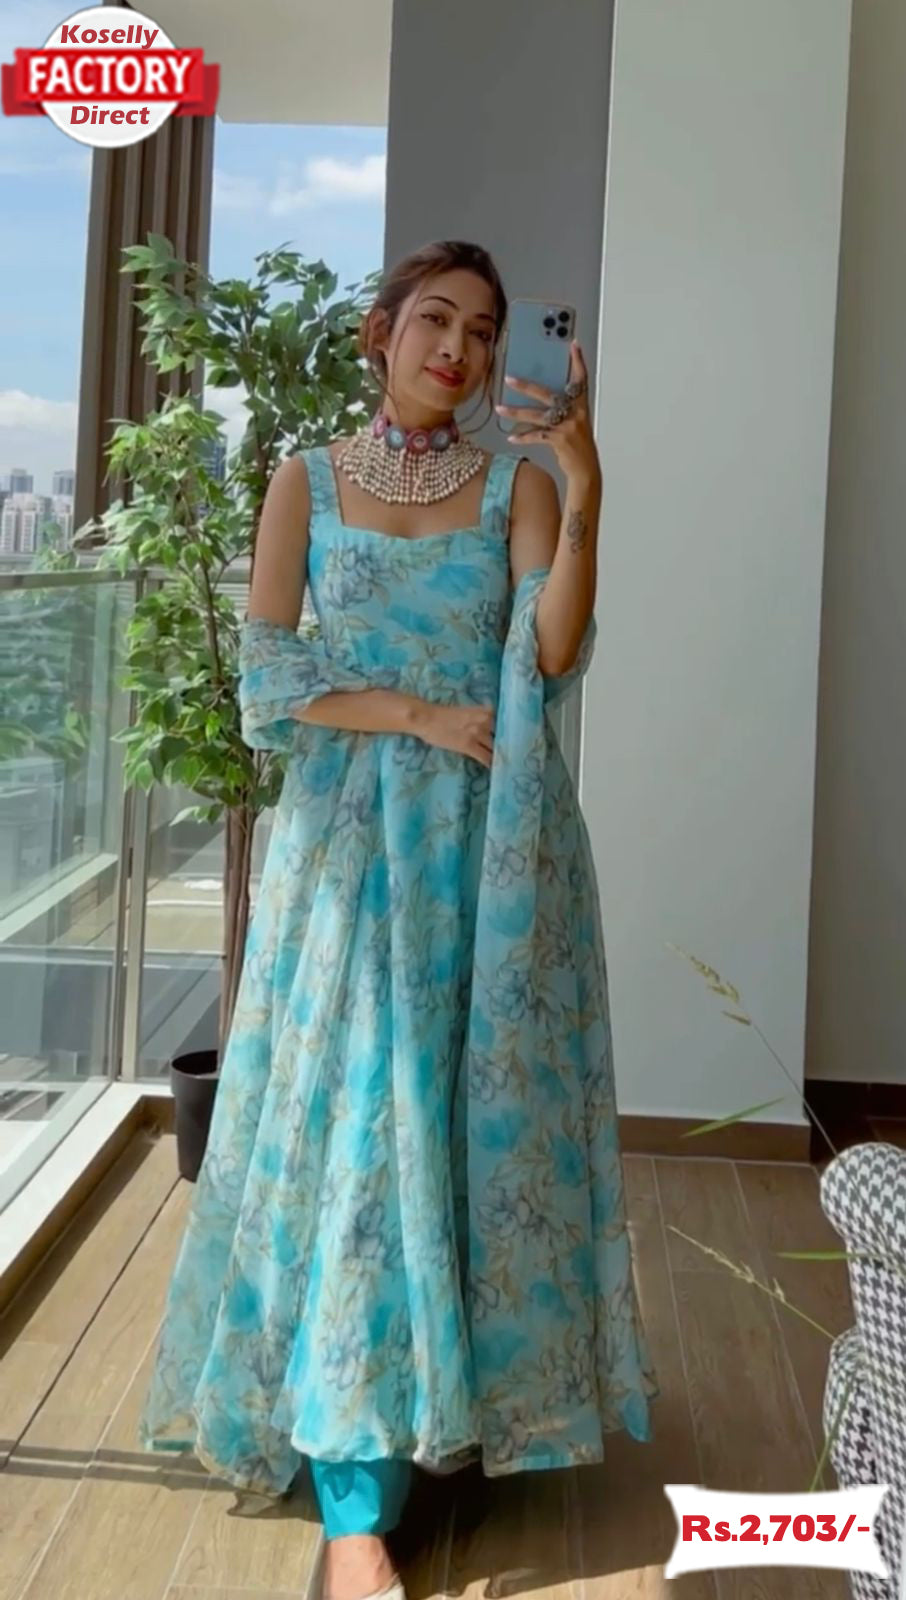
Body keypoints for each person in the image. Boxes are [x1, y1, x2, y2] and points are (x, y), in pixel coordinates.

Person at [137, 239, 659, 1600]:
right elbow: (270, 674)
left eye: (483, 331)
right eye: (435, 319)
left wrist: (587, 489)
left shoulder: (518, 485)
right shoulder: (303, 480)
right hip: (348, 847)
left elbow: (548, 654)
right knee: (362, 1135)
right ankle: (356, 1498)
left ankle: (449, 1407)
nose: (460, 350)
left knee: (462, 1128)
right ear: (380, 332)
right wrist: (416, 712)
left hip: (495, 849)